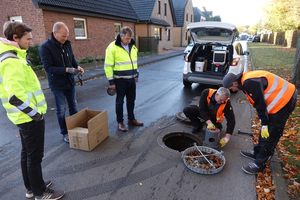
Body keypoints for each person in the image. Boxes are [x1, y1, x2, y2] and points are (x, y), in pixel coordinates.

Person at [0, 21, 64, 199]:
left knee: (27, 154)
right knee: (34, 156)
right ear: (15, 38)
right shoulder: (12, 61)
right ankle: (40, 193)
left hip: (23, 117)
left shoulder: (12, 56)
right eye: (28, 39)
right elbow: (15, 96)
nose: (31, 42)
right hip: (29, 117)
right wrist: (36, 115)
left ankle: (32, 187)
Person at [223, 70, 298, 174]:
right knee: (265, 131)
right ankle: (257, 152)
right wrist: (264, 123)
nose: (233, 90)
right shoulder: (245, 80)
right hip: (283, 96)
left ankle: (260, 164)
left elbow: (260, 104)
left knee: (271, 133)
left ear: (235, 82)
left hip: (285, 100)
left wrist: (265, 123)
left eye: (231, 88)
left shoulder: (249, 83)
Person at [39, 22, 84, 143]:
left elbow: (72, 58)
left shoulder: (67, 44)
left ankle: (76, 129)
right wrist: (67, 69)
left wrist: (77, 66)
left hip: (69, 82)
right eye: (63, 36)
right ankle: (65, 132)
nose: (66, 38)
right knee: (61, 109)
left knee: (73, 106)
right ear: (55, 33)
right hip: (57, 84)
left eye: (67, 36)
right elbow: (48, 68)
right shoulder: (45, 47)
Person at [104, 26, 143, 132]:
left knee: (131, 100)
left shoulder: (132, 46)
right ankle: (120, 122)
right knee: (119, 102)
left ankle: (131, 119)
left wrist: (136, 74)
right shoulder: (112, 47)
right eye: (127, 38)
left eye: (130, 38)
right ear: (121, 36)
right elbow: (108, 66)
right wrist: (111, 82)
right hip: (120, 80)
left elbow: (134, 62)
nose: (129, 40)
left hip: (131, 79)